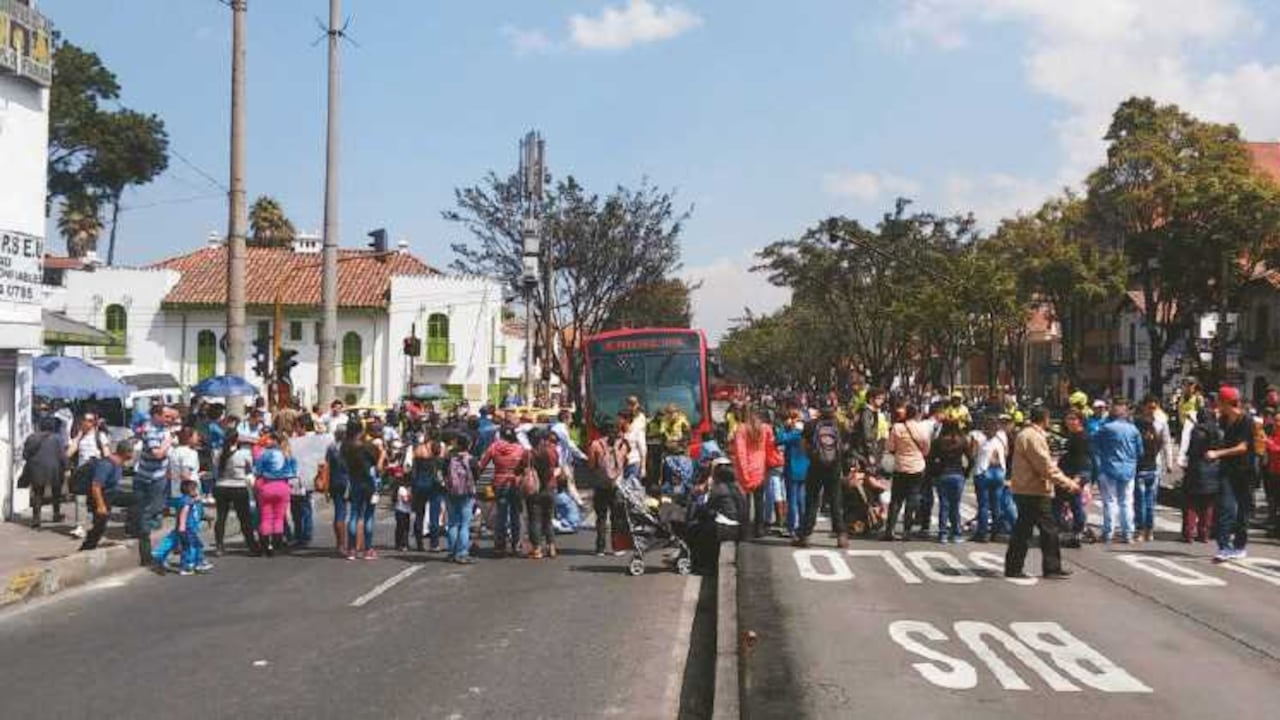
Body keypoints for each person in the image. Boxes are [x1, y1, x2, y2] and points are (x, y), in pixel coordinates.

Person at [1004, 407, 1081, 579]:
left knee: (1026, 530)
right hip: (1034, 490)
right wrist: (1068, 483)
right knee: (1045, 529)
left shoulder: (1027, 434)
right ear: (1045, 419)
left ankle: (1017, 567)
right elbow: (1044, 466)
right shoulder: (1033, 437)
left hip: (1027, 488)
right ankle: (1048, 567)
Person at [794, 403, 846, 549]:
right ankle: (841, 535)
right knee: (835, 501)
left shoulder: (810, 425)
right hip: (834, 468)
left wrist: (812, 456)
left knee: (812, 501)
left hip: (816, 467)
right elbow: (844, 447)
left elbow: (803, 445)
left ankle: (805, 535)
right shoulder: (839, 426)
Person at [1210, 386, 1253, 562]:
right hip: (1227, 470)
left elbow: (1243, 447)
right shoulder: (1223, 420)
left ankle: (1240, 545)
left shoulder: (1246, 421)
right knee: (1226, 507)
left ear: (1226, 402)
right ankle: (1224, 546)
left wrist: (1218, 454)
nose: (1216, 404)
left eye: (1219, 401)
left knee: (1243, 509)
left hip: (1246, 470)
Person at [1092, 399, 1143, 544]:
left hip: (1108, 468)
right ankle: (1128, 533)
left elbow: (1094, 445)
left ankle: (1108, 532)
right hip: (1128, 469)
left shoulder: (1105, 428)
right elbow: (1140, 451)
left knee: (1110, 501)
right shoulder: (1133, 430)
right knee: (1126, 502)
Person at [882, 404, 931, 541]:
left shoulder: (897, 428)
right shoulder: (922, 428)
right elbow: (926, 449)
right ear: (917, 414)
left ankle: (889, 530)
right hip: (917, 466)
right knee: (912, 499)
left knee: (896, 500)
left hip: (900, 466)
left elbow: (890, 447)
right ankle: (907, 531)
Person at [133, 404, 173, 565]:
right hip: (147, 476)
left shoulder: (163, 430)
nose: (169, 420)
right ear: (156, 415)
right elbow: (157, 453)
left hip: (159, 475)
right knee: (150, 509)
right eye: (166, 416)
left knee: (156, 508)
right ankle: (144, 541)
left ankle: (145, 532)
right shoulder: (150, 430)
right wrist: (167, 443)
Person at [79, 441, 138, 551]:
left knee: (137, 498)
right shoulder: (106, 464)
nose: (134, 455)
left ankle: (134, 529)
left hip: (111, 495)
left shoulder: (119, 463)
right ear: (127, 453)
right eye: (132, 452)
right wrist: (101, 505)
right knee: (100, 525)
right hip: (99, 497)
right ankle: (86, 548)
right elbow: (96, 486)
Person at [478, 426, 527, 557]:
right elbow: (525, 465)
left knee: (501, 515)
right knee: (517, 515)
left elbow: (482, 465)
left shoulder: (494, 447)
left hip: (498, 483)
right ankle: (517, 545)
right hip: (515, 484)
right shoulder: (520, 449)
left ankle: (500, 546)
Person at [588, 419, 630, 557]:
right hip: (616, 485)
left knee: (601, 517)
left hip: (600, 485)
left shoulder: (595, 444)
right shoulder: (622, 445)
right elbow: (625, 462)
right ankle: (617, 548)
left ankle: (600, 548)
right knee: (616, 517)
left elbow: (592, 465)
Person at [213, 432, 259, 556]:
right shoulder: (244, 454)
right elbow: (250, 469)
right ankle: (251, 545)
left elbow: (216, 468)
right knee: (244, 518)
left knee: (221, 517)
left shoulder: (218, 453)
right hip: (238, 486)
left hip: (221, 486)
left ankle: (219, 546)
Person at [151, 479, 211, 575]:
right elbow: (184, 514)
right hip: (187, 528)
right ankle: (188, 565)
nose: (197, 491)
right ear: (190, 490)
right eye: (195, 489)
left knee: (194, 545)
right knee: (188, 546)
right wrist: (182, 527)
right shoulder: (187, 501)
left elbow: (196, 513)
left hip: (190, 528)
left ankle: (197, 562)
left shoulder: (190, 501)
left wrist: (204, 517)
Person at [342, 423, 382, 560]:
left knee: (354, 515)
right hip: (369, 483)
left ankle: (352, 549)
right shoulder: (368, 447)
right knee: (368, 516)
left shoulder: (346, 448)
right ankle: (368, 549)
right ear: (360, 432)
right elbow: (377, 465)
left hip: (354, 483)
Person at [66, 412, 110, 537]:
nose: (86, 422)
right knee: (80, 499)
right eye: (84, 420)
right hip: (82, 471)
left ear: (94, 422)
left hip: (96, 471)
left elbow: (106, 454)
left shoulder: (100, 436)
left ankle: (98, 526)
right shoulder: (79, 437)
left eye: (90, 420)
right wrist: (79, 436)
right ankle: (80, 526)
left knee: (96, 500)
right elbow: (69, 453)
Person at [731, 407, 773, 538]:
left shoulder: (741, 429)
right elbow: (771, 447)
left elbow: (740, 452)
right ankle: (759, 528)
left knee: (745, 502)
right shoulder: (766, 429)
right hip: (761, 469)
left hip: (746, 469)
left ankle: (745, 530)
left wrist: (743, 473)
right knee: (760, 501)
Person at [1182, 406, 1221, 543]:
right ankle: (1204, 533)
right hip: (1214, 469)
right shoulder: (1218, 431)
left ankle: (1189, 532)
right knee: (1208, 504)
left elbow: (1192, 450)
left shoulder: (1197, 431)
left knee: (1191, 502)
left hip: (1197, 468)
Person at [254, 432, 296, 557]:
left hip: (267, 486)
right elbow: (293, 472)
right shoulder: (288, 455)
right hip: (283, 486)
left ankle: (267, 545)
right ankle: (277, 542)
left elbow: (257, 471)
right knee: (279, 517)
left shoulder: (264, 454)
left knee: (266, 517)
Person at [1054, 410, 1092, 546]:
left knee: (1073, 503)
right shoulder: (1073, 435)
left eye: (1073, 419)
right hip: (1066, 474)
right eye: (1067, 418)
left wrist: (1078, 478)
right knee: (1062, 503)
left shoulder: (1081, 437)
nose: (1069, 421)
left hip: (1074, 474)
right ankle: (1069, 531)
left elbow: (1082, 459)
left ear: (1080, 421)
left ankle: (1076, 532)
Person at [21, 417, 65, 529]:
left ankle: (36, 519)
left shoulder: (31, 437)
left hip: (36, 468)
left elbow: (25, 455)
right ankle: (56, 514)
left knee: (37, 493)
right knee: (56, 492)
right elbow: (62, 456)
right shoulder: (58, 439)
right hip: (54, 469)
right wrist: (66, 466)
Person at [525, 428, 561, 559]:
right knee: (548, 519)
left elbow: (522, 469)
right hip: (550, 488)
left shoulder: (529, 454)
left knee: (535, 520)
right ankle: (551, 547)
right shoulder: (552, 452)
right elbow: (557, 466)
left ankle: (537, 549)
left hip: (534, 489)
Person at [929, 420, 968, 543]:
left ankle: (942, 534)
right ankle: (956, 533)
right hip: (957, 473)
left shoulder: (938, 442)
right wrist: (965, 472)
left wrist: (934, 473)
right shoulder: (961, 441)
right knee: (955, 505)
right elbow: (971, 459)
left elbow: (930, 459)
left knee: (944, 505)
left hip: (943, 474)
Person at [444, 434, 480, 564]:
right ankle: (462, 553)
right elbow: (477, 476)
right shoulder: (472, 460)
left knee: (452, 522)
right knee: (465, 524)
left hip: (450, 492)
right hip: (467, 493)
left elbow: (443, 474)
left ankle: (452, 551)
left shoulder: (448, 458)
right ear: (469, 445)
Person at [1133, 401, 1166, 543]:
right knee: (1150, 502)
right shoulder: (1156, 435)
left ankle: (1140, 530)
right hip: (1153, 468)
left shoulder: (1138, 437)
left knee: (1140, 502)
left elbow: (1136, 453)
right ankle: (1150, 531)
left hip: (1140, 469)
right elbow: (1159, 447)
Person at [971, 417, 1006, 543]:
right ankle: (995, 533)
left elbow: (973, 454)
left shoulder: (978, 437)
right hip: (1000, 472)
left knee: (983, 505)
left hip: (983, 471)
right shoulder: (1002, 437)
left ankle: (983, 533)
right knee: (996, 505)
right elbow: (1006, 453)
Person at [776, 408, 809, 538]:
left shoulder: (795, 433)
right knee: (802, 499)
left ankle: (792, 527)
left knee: (792, 500)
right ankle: (803, 525)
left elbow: (779, 439)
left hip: (792, 469)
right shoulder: (806, 431)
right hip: (805, 468)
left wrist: (784, 427)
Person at [411, 431, 446, 552]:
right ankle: (434, 543)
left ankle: (419, 543)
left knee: (419, 515)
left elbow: (413, 470)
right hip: (434, 485)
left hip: (419, 484)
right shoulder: (438, 449)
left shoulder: (418, 449)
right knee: (434, 516)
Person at [549, 409, 588, 508]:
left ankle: (578, 502)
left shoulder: (561, 428)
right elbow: (570, 445)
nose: (572, 420)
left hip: (562, 460)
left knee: (569, 481)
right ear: (565, 418)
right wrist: (583, 456)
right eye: (570, 418)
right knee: (562, 481)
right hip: (559, 461)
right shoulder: (560, 429)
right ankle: (575, 503)